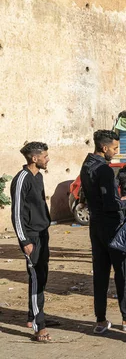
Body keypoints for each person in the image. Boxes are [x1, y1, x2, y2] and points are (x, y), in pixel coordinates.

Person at [80, 130, 126, 334]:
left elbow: (87, 197)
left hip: (96, 226)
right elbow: (111, 203)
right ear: (104, 148)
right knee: (123, 272)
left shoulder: (86, 166)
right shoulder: (103, 169)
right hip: (112, 227)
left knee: (101, 274)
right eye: (114, 148)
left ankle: (100, 320)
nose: (116, 152)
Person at [10, 142, 52, 342]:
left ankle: (32, 316)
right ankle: (38, 326)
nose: (47, 159)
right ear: (34, 158)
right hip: (31, 237)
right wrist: (24, 240)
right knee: (36, 278)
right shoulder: (21, 180)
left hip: (43, 234)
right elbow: (16, 214)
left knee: (41, 276)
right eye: (45, 155)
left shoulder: (39, 177)